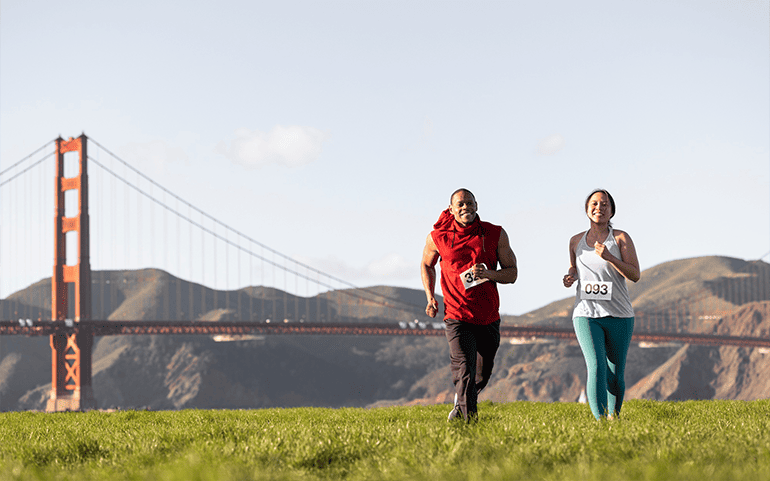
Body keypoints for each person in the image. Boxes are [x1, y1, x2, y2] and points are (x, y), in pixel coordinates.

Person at [421, 188, 518, 422]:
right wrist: (430, 296)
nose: (465, 208)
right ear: (452, 209)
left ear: (477, 205)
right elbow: (426, 264)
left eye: (469, 203)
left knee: (482, 374)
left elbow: (512, 274)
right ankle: (469, 425)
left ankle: (460, 404)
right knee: (464, 370)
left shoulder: (495, 233)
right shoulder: (438, 237)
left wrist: (489, 274)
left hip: (488, 316)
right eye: (460, 204)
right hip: (456, 316)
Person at [562, 189, 640, 420]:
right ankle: (600, 423)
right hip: (586, 313)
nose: (599, 208)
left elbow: (634, 275)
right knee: (596, 366)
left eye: (604, 204)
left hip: (619, 314)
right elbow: (573, 270)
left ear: (612, 210)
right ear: (587, 210)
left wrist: (610, 257)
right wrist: (569, 277)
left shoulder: (621, 238)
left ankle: (613, 419)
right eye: (594, 204)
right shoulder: (575, 241)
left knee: (615, 374)